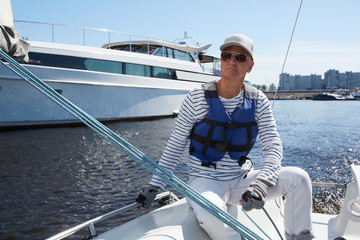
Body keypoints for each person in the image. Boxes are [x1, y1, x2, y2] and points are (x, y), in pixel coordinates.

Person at [136, 34, 314, 240]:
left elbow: (273, 146)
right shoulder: (196, 98)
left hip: (241, 179)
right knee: (213, 211)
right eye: (227, 55)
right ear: (221, 60)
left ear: (250, 65)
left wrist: (262, 185)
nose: (232, 61)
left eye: (240, 57)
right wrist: (155, 185)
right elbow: (175, 145)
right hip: (205, 181)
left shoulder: (259, 101)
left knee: (298, 178)